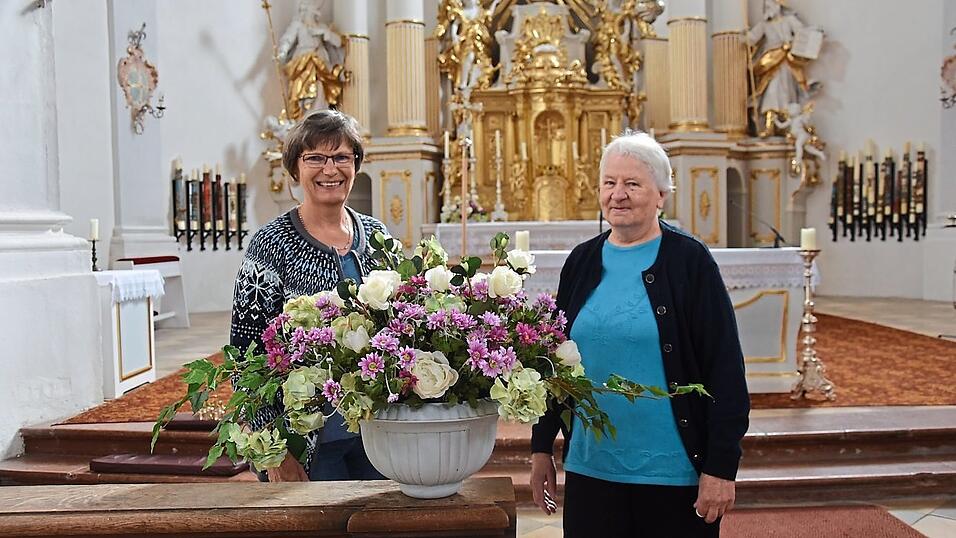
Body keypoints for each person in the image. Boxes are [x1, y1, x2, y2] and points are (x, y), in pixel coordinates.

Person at [529, 131, 750, 537]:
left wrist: (720, 467)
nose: (618, 194)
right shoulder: (581, 262)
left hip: (673, 474)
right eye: (609, 183)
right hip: (591, 468)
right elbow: (553, 362)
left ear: (661, 195)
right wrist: (542, 446)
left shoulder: (689, 262)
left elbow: (725, 370)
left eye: (632, 184)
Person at [230, 109, 388, 482]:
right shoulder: (271, 244)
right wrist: (275, 452)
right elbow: (245, 357)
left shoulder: (380, 238)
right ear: (295, 168)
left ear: (356, 164)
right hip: (307, 444)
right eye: (315, 157)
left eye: (341, 157)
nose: (329, 169)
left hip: (380, 437)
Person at [746, 0, 816, 136]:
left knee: (785, 93)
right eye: (765, 6)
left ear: (779, 6)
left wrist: (814, 34)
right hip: (769, 63)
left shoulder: (789, 20)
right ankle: (769, 125)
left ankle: (785, 125)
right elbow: (752, 38)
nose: (767, 9)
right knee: (771, 92)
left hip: (786, 64)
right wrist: (743, 35)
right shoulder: (764, 25)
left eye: (769, 5)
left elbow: (803, 35)